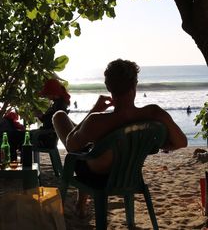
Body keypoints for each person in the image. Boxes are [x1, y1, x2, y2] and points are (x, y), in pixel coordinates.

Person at [52, 59, 187, 217]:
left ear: (108, 87)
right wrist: (155, 146)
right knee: (90, 144)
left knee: (60, 117)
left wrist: (93, 110)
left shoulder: (96, 120)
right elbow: (181, 142)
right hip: (131, 172)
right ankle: (81, 203)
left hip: (97, 175)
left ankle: (80, 203)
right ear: (134, 85)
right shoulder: (154, 113)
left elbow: (70, 145)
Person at [32, 78, 71, 148]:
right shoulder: (59, 103)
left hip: (47, 138)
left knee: (18, 136)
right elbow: (49, 121)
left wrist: (40, 115)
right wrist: (40, 116)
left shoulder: (59, 105)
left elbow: (51, 123)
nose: (46, 96)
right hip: (49, 136)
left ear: (52, 93)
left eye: (47, 94)